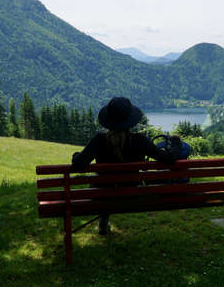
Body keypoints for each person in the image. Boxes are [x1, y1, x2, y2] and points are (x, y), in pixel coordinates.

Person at [71, 97, 179, 235]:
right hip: (132, 195)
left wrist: (76, 155)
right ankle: (103, 224)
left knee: (102, 184)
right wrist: (176, 144)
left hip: (101, 196)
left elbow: (78, 165)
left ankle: (103, 223)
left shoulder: (99, 141)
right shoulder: (140, 141)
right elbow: (168, 159)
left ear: (108, 120)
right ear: (130, 120)